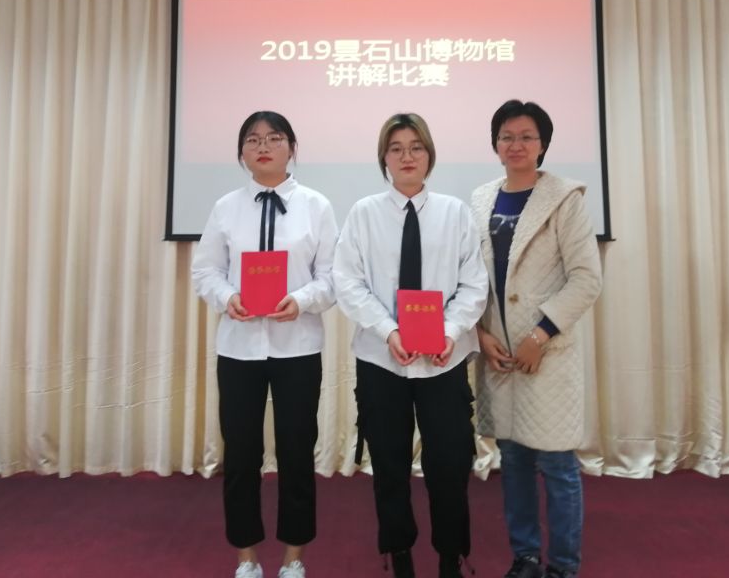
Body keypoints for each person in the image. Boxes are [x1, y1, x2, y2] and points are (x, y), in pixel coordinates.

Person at [333, 113, 489, 578]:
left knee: (450, 465)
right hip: (382, 359)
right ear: (384, 157)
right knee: (389, 465)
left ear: (429, 155)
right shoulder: (363, 213)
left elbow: (474, 284)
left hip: (444, 360)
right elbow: (348, 282)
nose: (407, 156)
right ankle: (398, 552)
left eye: (416, 147)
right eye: (396, 148)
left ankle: (450, 556)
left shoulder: (455, 213)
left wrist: (449, 331)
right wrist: (389, 331)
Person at [191, 111, 338, 578]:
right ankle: (247, 558)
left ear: (291, 147)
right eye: (253, 140)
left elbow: (332, 278)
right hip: (239, 349)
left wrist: (301, 300)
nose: (263, 147)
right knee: (241, 456)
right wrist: (227, 297)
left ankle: (294, 557)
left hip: (298, 347)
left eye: (274, 138)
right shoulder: (225, 207)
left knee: (297, 452)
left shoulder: (316, 206)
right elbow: (205, 271)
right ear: (241, 153)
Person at [470, 100, 603, 578]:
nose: (516, 145)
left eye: (526, 136)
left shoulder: (565, 198)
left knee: (559, 466)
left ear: (542, 143)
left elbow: (586, 279)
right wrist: (480, 334)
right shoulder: (481, 199)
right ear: (495, 144)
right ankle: (525, 558)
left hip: (545, 353)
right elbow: (473, 279)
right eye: (507, 136)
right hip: (499, 354)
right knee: (513, 462)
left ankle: (563, 566)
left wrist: (540, 333)